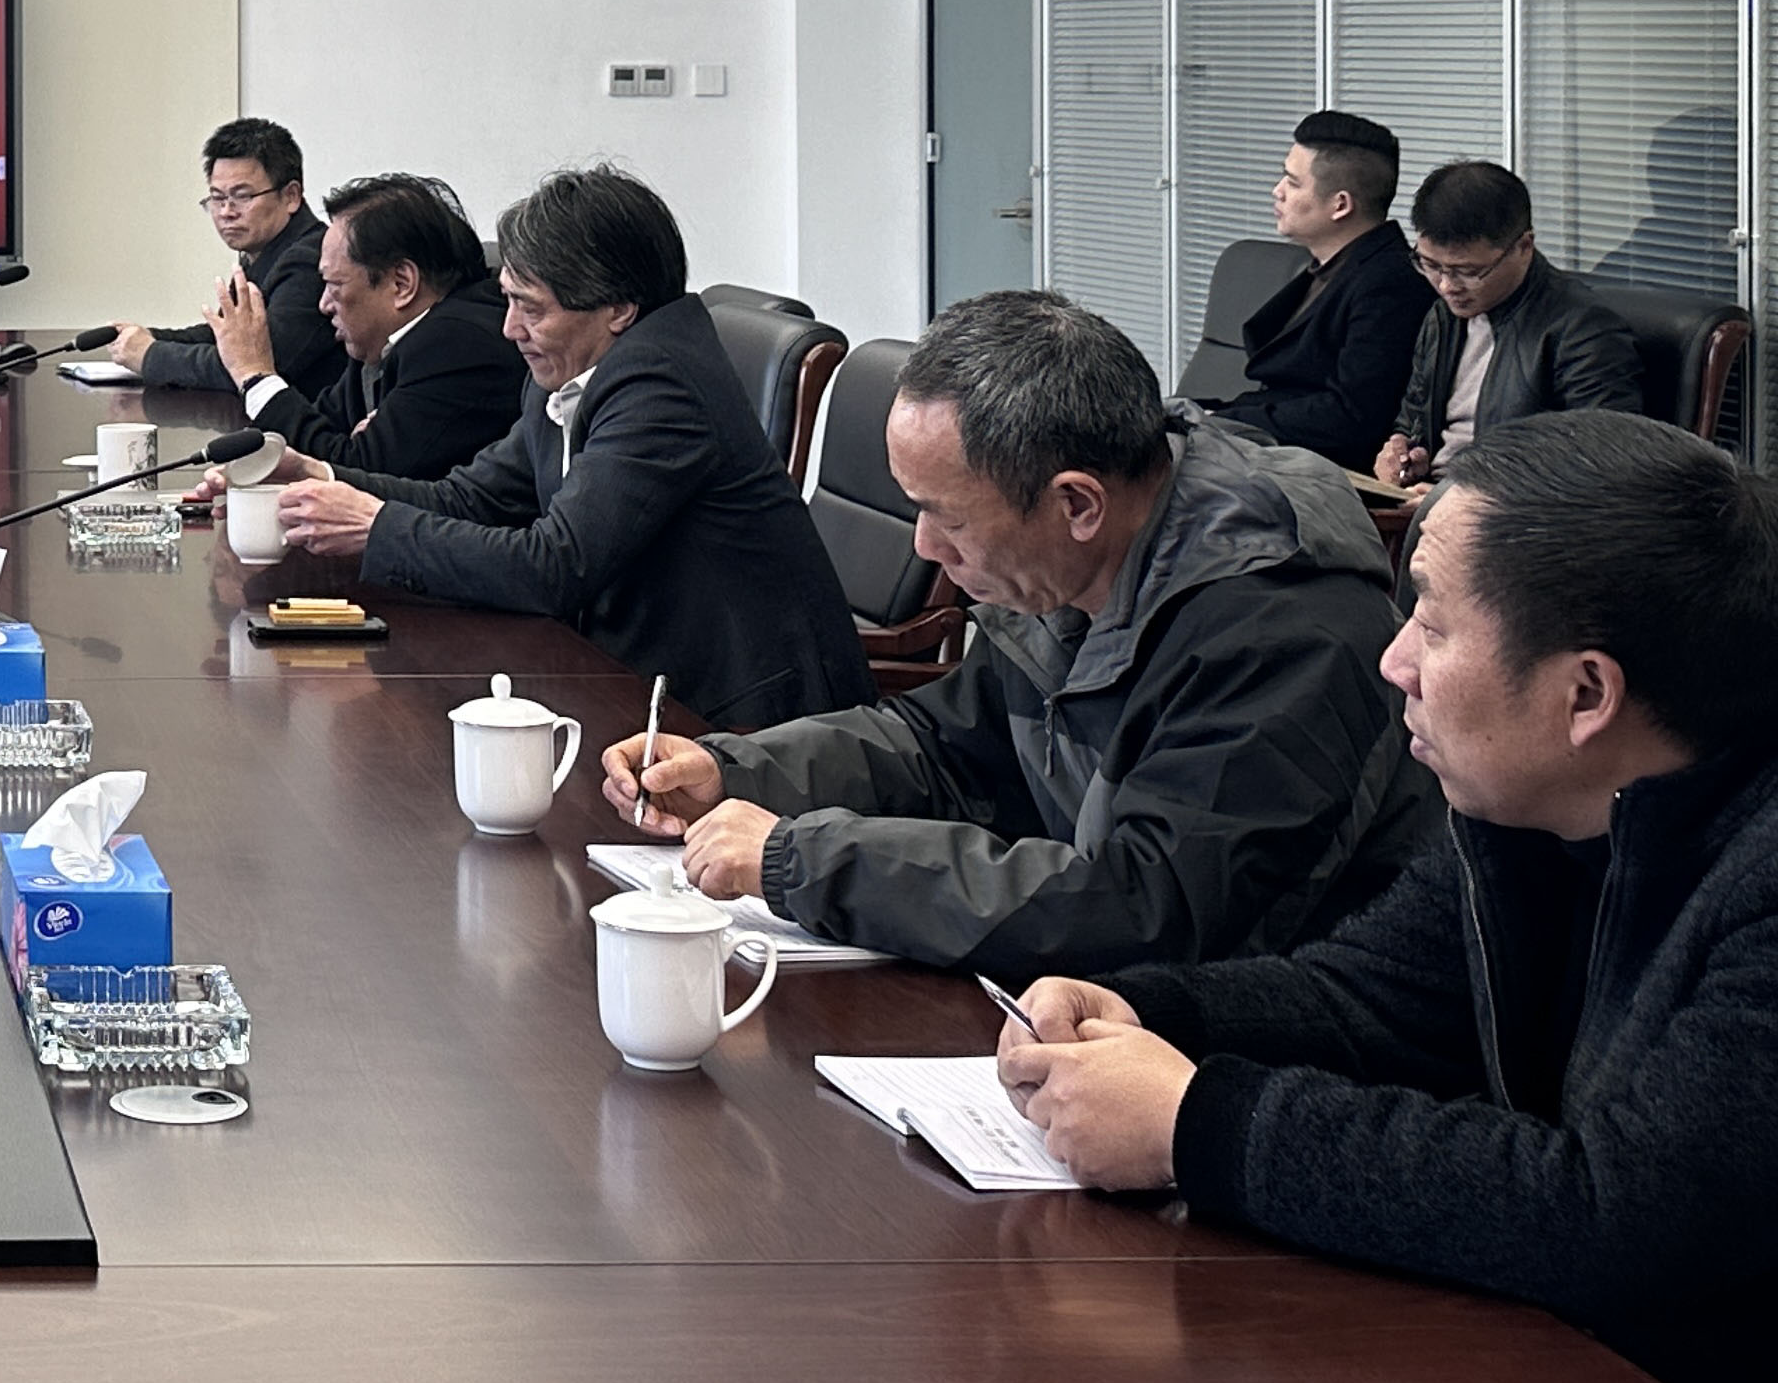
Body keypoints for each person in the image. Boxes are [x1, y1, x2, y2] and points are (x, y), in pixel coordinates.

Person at [1000, 412, 1778, 1383]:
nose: (1394, 660)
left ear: (1586, 693)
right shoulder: (1535, 806)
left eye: (1435, 628)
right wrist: (1145, 1010)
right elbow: (1368, 1000)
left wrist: (1195, 1123)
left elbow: (1613, 1217)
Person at [605, 289, 1436, 976]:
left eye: (946, 517)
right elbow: (946, 747)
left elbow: (1149, 909)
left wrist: (802, 861)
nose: (924, 548)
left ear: (1077, 503)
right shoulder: (1070, 565)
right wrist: (737, 770)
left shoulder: (1279, 627)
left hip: (1281, 1037)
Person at [261, 166, 871, 728]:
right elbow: (472, 498)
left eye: (530, 307)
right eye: (508, 298)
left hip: (742, 717)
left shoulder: (662, 387)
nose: (509, 329)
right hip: (633, 675)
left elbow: (555, 566)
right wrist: (317, 475)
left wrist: (376, 527)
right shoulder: (570, 367)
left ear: (618, 308)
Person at [215, 173, 519, 485]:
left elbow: (358, 472)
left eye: (335, 285)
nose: (324, 304)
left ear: (401, 284)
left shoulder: (458, 345)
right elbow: (321, 435)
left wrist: (255, 376)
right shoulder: (382, 344)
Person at [1372, 160, 1642, 487]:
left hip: (1507, 505)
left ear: (1524, 247)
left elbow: (1601, 461)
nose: (1446, 286)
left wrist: (1463, 499)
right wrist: (1402, 452)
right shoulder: (1443, 317)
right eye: (1430, 265)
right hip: (1429, 495)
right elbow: (1414, 416)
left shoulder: (1582, 329)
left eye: (1468, 272)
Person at [1213, 108, 1430, 468]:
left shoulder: (1390, 284)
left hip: (1319, 475)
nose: (1277, 191)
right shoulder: (1330, 266)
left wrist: (1220, 423)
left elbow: (1350, 416)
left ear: (1340, 205)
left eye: (1293, 182)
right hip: (1274, 451)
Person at [108, 118, 340, 400]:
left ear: (291, 196)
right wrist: (148, 337)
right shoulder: (264, 251)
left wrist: (150, 355)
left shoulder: (310, 260)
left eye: (242, 196)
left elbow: (253, 367)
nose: (226, 212)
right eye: (217, 198)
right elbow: (225, 338)